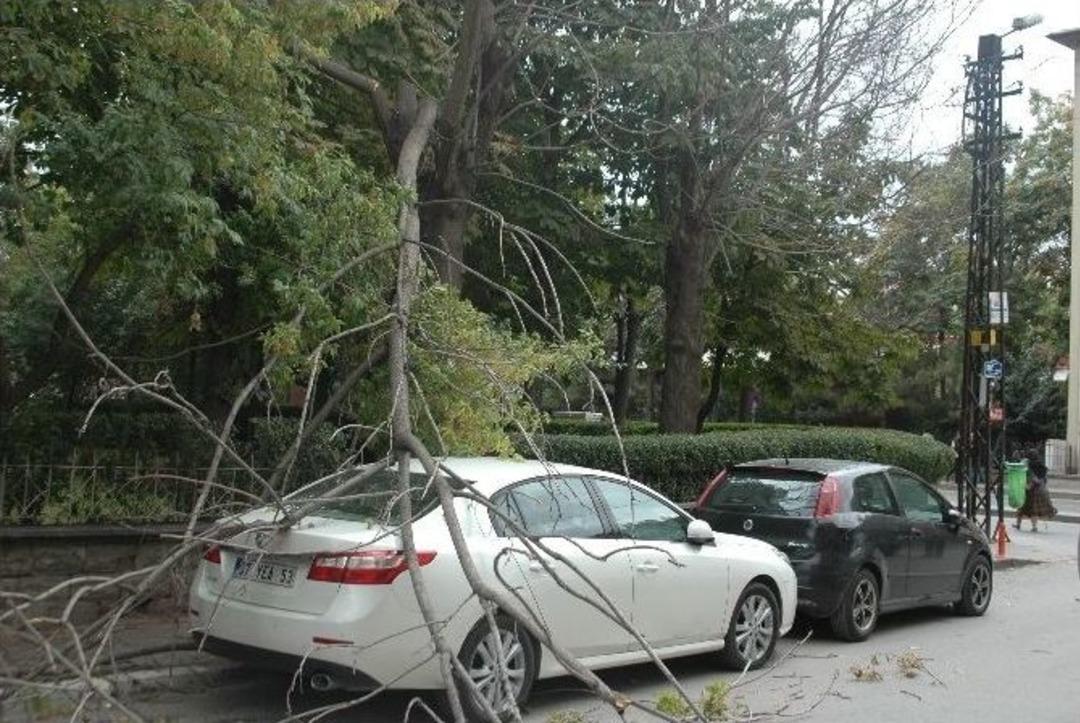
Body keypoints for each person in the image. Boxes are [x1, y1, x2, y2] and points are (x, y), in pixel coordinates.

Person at [1015, 450, 1057, 532]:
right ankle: (1033, 527)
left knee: (1023, 507)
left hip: (1031, 490)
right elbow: (1044, 479)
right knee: (1034, 510)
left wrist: (1028, 486)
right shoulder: (1042, 466)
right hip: (1042, 490)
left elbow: (1033, 479)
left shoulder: (1030, 466)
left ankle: (1019, 525)